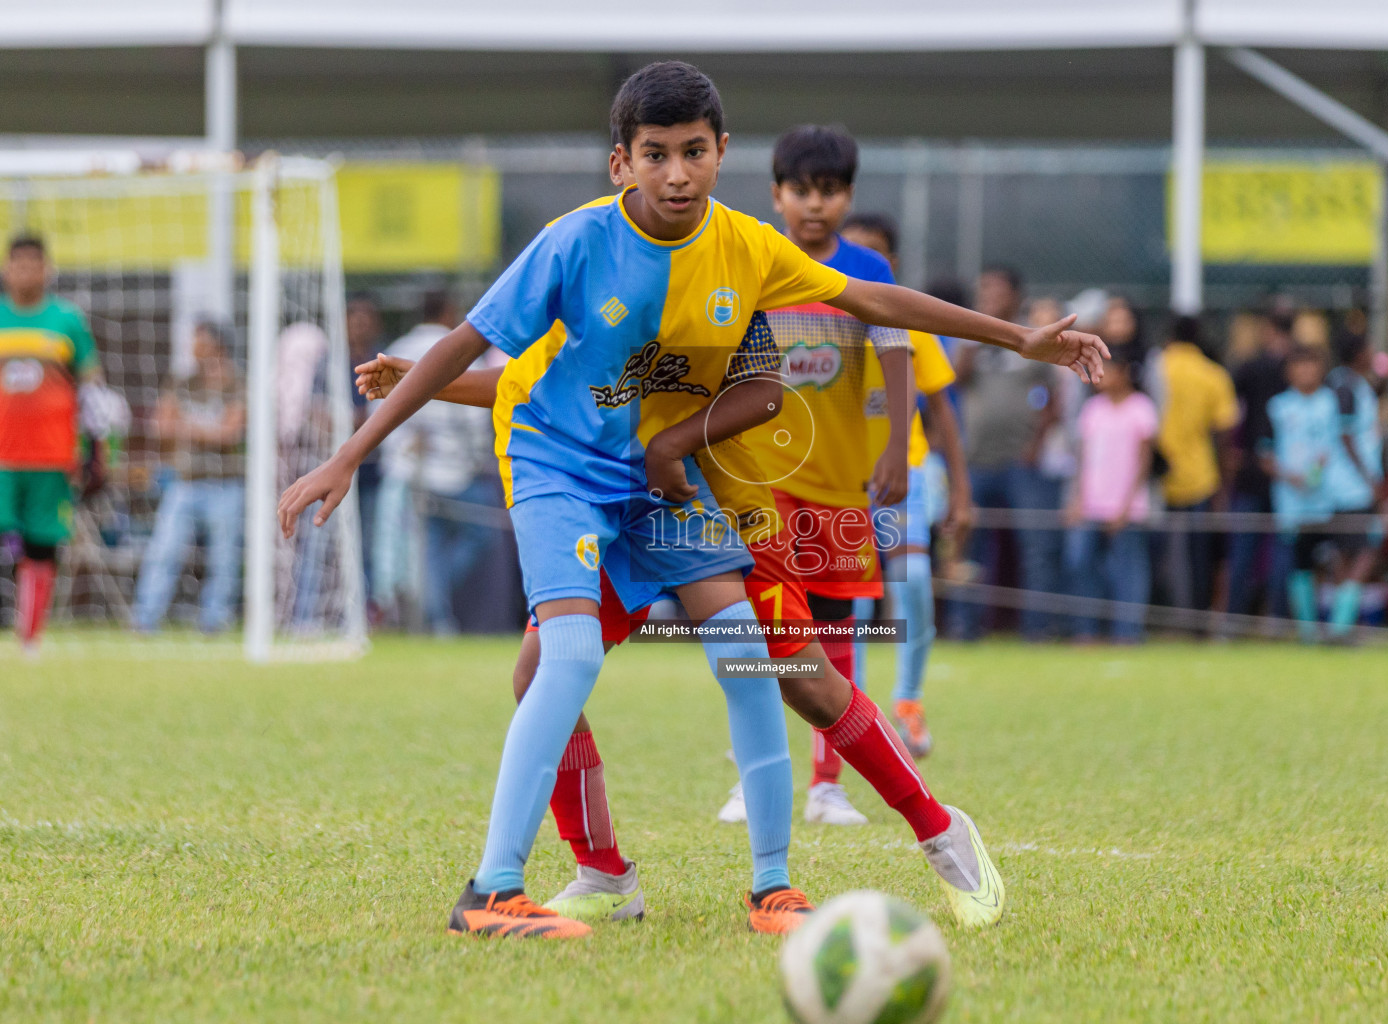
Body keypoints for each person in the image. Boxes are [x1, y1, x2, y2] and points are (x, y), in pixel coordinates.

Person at [282, 60, 1107, 939]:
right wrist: (355, 449)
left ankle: (807, 876)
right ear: (620, 163)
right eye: (655, 155)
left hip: (715, 493)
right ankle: (521, 886)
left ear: (721, 154)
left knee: (780, 669)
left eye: (692, 153)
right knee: (555, 667)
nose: (675, 173)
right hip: (571, 479)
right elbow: (493, 365)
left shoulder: (749, 254)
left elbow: (832, 333)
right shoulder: (571, 249)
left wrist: (1020, 337)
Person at [719, 126, 916, 826]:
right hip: (757, 487)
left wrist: (896, 444)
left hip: (838, 487)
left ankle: (827, 784)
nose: (814, 204)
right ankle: (755, 776)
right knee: (756, 638)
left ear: (848, 196)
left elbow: (898, 356)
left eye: (828, 192)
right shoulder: (751, 267)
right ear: (775, 195)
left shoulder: (868, 272)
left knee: (834, 633)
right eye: (799, 190)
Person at [841, 211, 971, 758]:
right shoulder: (825, 318)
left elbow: (943, 409)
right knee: (855, 602)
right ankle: (855, 713)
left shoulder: (910, 320)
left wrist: (962, 493)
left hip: (907, 475)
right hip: (843, 478)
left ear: (889, 262)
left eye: (875, 253)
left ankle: (909, 702)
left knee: (913, 581)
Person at [374, 289, 501, 634]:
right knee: (477, 536)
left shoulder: (397, 348)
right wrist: (474, 458)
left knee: (423, 550)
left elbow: (377, 402)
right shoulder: (461, 351)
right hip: (453, 472)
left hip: (407, 470)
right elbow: (475, 419)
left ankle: (433, 608)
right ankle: (433, 615)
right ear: (448, 311)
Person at [0, 234, 103, 655]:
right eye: (18, 264)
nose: (26, 272)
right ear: (7, 268)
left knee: (42, 544)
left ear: (47, 269)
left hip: (51, 454)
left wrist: (97, 451)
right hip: (3, 455)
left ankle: (30, 637)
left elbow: (92, 387)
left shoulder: (67, 320)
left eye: (34, 264)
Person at [949, 266, 1063, 640]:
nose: (990, 296)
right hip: (976, 460)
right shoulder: (970, 337)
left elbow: (1052, 401)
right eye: (983, 289)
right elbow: (957, 379)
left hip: (1020, 462)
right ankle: (965, 628)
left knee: (1035, 548)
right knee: (968, 547)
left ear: (1016, 295)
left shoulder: (1032, 339)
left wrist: (1035, 445)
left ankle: (1037, 630)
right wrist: (972, 333)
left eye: (997, 290)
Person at [132, 321, 246, 633]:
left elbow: (230, 434)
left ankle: (215, 620)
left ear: (217, 346)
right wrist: (206, 429)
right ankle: (144, 619)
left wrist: (188, 426)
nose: (193, 349)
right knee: (164, 552)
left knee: (224, 558)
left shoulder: (238, 383)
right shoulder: (181, 382)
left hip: (226, 484)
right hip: (185, 481)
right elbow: (160, 427)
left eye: (200, 342)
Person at [1063, 349, 1158, 642]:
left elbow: (1145, 462)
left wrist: (1127, 505)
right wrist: (1077, 498)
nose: (1100, 377)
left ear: (1125, 372)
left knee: (1127, 571)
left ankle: (1127, 634)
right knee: (1080, 562)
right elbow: (1083, 459)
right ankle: (1086, 631)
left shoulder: (1142, 407)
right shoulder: (1093, 409)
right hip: (1091, 503)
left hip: (1126, 506)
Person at [1157, 315, 1238, 615]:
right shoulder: (1212, 375)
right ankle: (1198, 619)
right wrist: (1224, 483)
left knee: (1158, 552)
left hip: (1156, 474)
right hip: (1200, 474)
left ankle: (1161, 616)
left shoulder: (1156, 368)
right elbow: (1224, 435)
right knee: (1199, 553)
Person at [1260, 346, 1338, 641]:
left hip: (1328, 502)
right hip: (1291, 504)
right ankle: (1306, 630)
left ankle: (1334, 626)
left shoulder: (1331, 403)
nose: (1306, 372)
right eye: (1299, 366)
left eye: (1311, 365)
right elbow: (1264, 454)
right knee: (1296, 565)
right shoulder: (1278, 407)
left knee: (1330, 563)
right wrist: (1288, 475)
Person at [1226, 307, 1297, 623]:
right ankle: (1278, 619)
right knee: (1283, 550)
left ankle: (1234, 619)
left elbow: (1231, 413)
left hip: (1254, 470)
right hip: (1288, 474)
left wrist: (1233, 452)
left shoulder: (1251, 367)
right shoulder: (1298, 368)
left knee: (1244, 550)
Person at [1320, 329, 1383, 641]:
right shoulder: (1346, 386)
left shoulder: (1346, 383)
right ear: (1358, 353)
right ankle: (1341, 624)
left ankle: (1340, 626)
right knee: (1365, 552)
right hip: (1351, 487)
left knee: (1345, 555)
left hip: (1339, 487)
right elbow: (1346, 435)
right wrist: (1369, 478)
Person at [345, 292, 387, 610]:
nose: (360, 327)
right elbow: (318, 411)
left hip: (374, 469)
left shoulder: (381, 361)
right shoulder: (332, 363)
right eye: (354, 320)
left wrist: (364, 421)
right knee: (337, 541)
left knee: (371, 542)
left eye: (365, 321)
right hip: (340, 464)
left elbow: (390, 410)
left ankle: (369, 609)